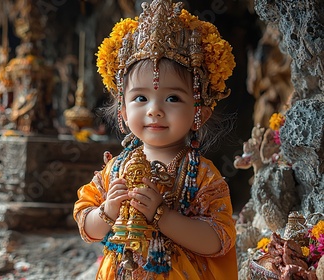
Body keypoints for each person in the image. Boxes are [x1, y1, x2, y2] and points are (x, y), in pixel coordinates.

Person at [73, 0, 238, 279]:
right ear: (123, 112)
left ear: (201, 112)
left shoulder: (201, 175)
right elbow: (86, 226)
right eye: (141, 98)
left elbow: (218, 240)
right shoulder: (114, 170)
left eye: (173, 98)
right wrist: (107, 211)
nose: (154, 110)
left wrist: (162, 215)